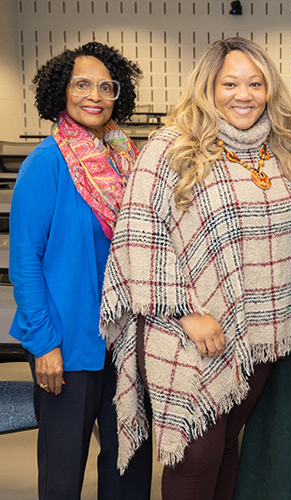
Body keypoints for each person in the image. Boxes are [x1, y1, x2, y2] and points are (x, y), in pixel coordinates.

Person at [99, 37, 291, 500]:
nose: (244, 94)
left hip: (259, 331)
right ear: (207, 87)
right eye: (230, 83)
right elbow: (139, 234)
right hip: (187, 329)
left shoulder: (280, 151)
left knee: (225, 446)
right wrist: (184, 314)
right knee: (194, 457)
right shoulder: (172, 146)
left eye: (256, 83)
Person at [9, 42, 151, 499]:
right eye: (82, 84)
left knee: (129, 463)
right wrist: (45, 343)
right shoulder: (47, 162)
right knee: (64, 468)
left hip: (127, 339)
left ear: (118, 95)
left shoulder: (129, 160)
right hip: (67, 342)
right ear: (61, 92)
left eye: (105, 87)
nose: (95, 95)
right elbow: (24, 263)